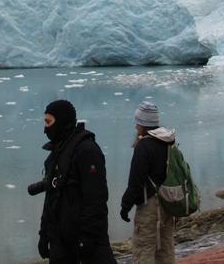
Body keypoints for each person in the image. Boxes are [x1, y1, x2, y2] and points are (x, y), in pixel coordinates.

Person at [30, 99, 118, 264]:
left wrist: (87, 237)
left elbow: (96, 199)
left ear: (62, 120)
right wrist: (44, 235)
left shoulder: (87, 150)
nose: (45, 128)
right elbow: (51, 198)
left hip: (88, 240)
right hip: (61, 243)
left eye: (49, 122)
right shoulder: (58, 151)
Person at [119, 102, 176, 264]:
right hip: (167, 202)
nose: (136, 125)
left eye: (138, 121)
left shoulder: (144, 145)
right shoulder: (168, 141)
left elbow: (136, 182)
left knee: (144, 248)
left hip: (150, 205)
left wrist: (126, 206)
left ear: (143, 123)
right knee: (165, 248)